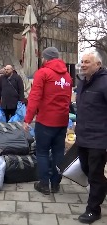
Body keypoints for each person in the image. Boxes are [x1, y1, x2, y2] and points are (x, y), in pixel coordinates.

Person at [23, 47, 72, 195]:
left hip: (45, 121)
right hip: (62, 121)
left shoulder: (43, 73)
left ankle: (44, 184)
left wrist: (27, 119)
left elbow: (34, 98)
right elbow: (68, 100)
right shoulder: (68, 76)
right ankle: (55, 184)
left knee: (42, 152)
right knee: (58, 152)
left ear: (46, 58)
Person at [74, 51, 107, 224]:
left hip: (99, 138)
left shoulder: (104, 82)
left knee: (94, 174)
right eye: (82, 61)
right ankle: (102, 187)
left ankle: (93, 209)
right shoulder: (82, 83)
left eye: (87, 62)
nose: (83, 64)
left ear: (98, 65)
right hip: (83, 135)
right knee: (86, 168)